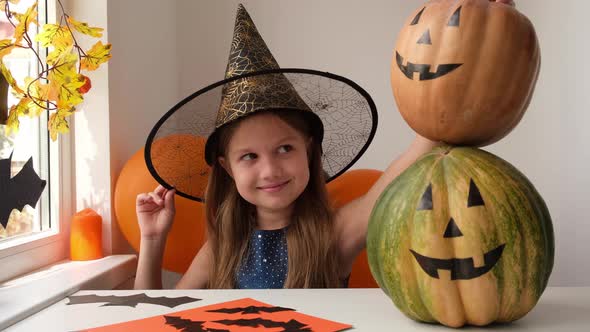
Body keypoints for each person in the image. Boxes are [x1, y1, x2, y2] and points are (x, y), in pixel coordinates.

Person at [134, 0, 516, 290]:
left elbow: (415, 157)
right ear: (227, 168)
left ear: (310, 152)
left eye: (285, 149)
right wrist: (151, 241)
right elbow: (155, 318)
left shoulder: (334, 234)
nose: (270, 170)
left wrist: (474, 41)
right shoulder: (223, 247)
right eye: (249, 156)